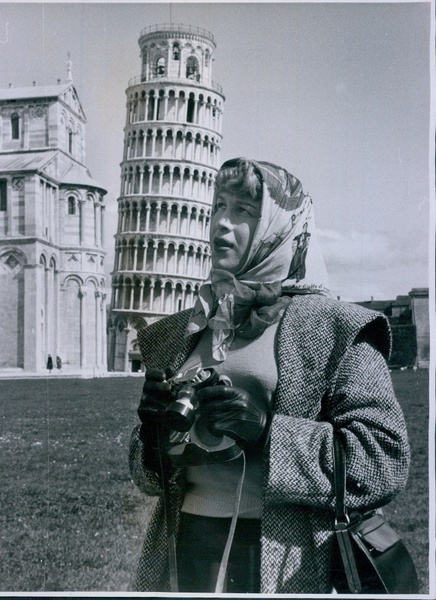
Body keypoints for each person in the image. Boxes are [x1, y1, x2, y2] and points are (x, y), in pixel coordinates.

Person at [129, 158, 410, 594]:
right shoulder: (179, 332)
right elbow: (150, 480)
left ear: (281, 226)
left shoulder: (335, 327)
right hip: (185, 546)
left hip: (286, 557)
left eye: (244, 211)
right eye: (218, 206)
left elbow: (384, 461)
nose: (221, 223)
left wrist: (265, 434)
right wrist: (150, 437)